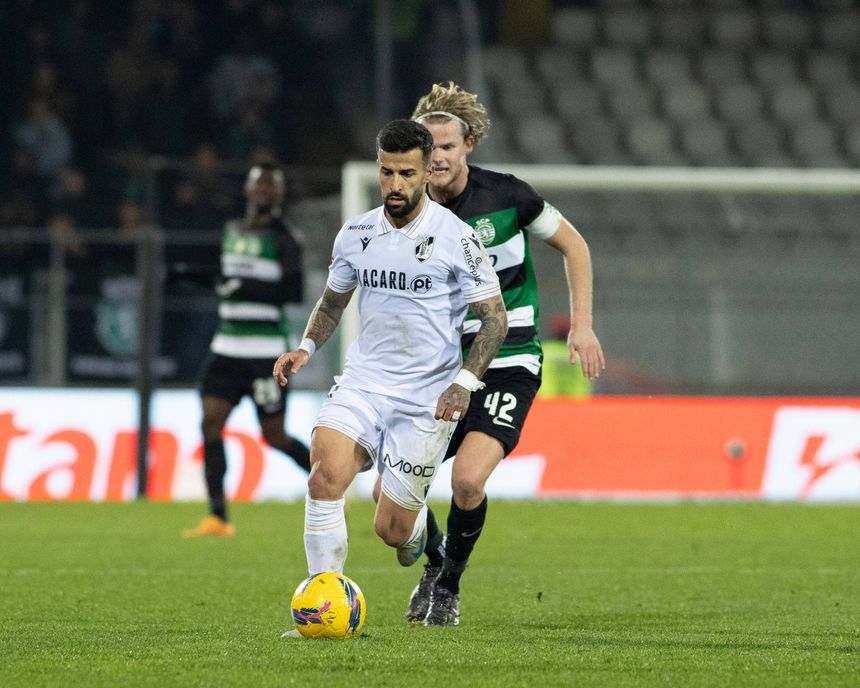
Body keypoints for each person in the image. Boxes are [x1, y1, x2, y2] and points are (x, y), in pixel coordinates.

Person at [272, 119, 507, 633]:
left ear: (426, 173)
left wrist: (464, 383)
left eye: (406, 173)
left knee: (392, 531)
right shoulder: (356, 233)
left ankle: (417, 535)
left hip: (427, 396)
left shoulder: (456, 238)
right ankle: (323, 604)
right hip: (365, 381)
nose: (395, 185)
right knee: (324, 475)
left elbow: (495, 317)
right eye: (386, 172)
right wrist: (307, 346)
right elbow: (333, 301)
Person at [392, 82, 606, 625]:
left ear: (469, 145)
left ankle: (449, 588)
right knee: (391, 496)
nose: (437, 157)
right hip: (439, 367)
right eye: (428, 147)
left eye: (447, 146)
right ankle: (433, 562)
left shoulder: (509, 197)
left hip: (509, 359)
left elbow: (574, 246)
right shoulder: (404, 215)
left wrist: (581, 326)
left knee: (467, 480)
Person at [182, 163, 311, 537]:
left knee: (274, 436)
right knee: (210, 423)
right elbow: (225, 280)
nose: (264, 191)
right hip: (226, 347)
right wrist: (191, 275)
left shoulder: (286, 237)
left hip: (265, 353)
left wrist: (245, 287)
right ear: (249, 189)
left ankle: (331, 488)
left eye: (271, 185)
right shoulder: (231, 231)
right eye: (259, 184)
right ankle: (218, 516)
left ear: (280, 193)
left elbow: (294, 291)